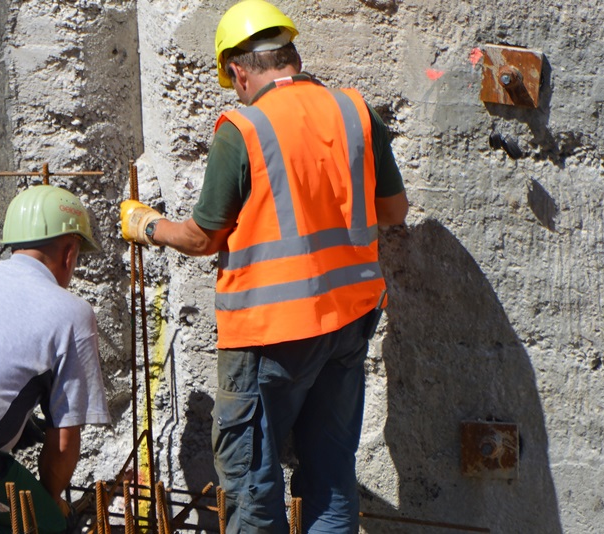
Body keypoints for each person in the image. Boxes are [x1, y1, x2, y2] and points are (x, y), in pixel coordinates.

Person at [121, 0, 409, 531]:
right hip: (347, 325)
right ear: (290, 56)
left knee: (253, 486)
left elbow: (203, 237)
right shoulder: (353, 110)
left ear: (238, 70)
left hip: (268, 335)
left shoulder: (244, 128)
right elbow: (393, 211)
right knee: (330, 477)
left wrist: (147, 225)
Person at [0, 185, 111, 534]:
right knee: (52, 525)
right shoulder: (71, 313)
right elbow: (65, 440)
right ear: (70, 252)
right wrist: (51, 498)